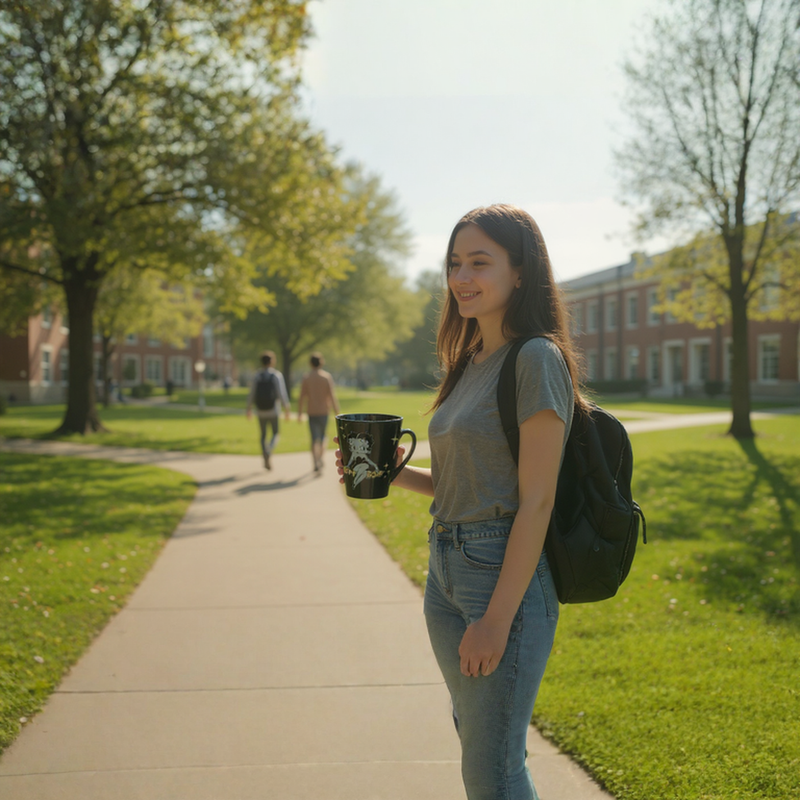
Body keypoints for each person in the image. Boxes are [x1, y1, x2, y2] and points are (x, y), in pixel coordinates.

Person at [337, 205, 588, 800]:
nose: (462, 278)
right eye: (455, 263)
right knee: (484, 745)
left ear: (521, 273)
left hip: (499, 576)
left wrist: (497, 619)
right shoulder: (469, 361)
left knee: (490, 771)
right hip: (445, 571)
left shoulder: (536, 359)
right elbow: (462, 482)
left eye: (480, 262)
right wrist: (391, 475)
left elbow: (537, 501)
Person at [246, 351, 290, 470]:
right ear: (272, 361)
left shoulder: (257, 376)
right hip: (273, 410)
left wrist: (248, 408)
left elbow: (252, 394)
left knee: (263, 435)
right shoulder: (276, 375)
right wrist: (286, 408)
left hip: (260, 411)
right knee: (276, 433)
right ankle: (269, 450)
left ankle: (264, 453)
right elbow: (281, 393)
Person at [297, 352, 340, 473]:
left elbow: (302, 396)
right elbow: (332, 396)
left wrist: (300, 412)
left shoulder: (307, 377)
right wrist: (336, 410)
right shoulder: (326, 377)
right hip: (323, 411)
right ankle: (320, 457)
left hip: (311, 411)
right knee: (322, 437)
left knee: (313, 438)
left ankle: (315, 461)